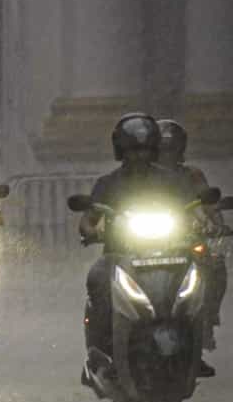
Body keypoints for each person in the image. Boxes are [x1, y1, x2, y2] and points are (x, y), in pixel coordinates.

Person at [77, 114, 214, 378]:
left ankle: (195, 349)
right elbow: (88, 219)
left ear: (154, 149)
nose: (138, 156)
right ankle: (101, 355)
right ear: (121, 151)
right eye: (132, 150)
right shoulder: (107, 183)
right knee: (97, 279)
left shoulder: (174, 181)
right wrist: (91, 231)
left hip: (171, 254)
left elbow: (194, 210)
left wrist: (203, 223)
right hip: (119, 256)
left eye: (144, 149)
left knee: (201, 278)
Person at [158, 119, 227, 350]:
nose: (167, 155)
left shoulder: (192, 175)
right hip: (145, 238)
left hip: (186, 236)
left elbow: (207, 204)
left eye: (172, 149)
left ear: (180, 150)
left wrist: (215, 223)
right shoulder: (142, 177)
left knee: (214, 264)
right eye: (163, 149)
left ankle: (206, 320)